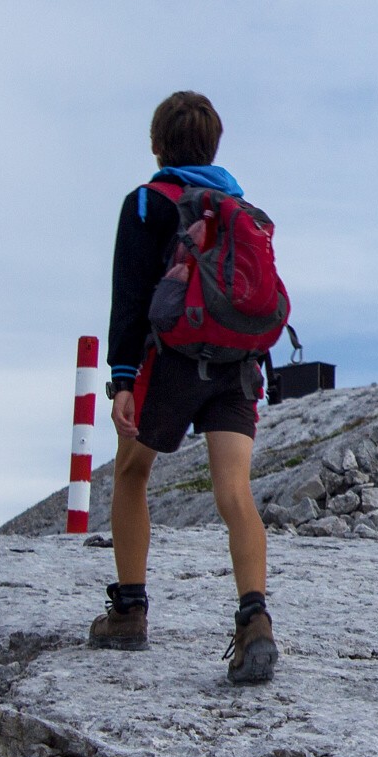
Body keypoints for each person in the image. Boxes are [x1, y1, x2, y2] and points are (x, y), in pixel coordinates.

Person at [89, 91, 279, 684]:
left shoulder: (149, 203)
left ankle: (129, 611)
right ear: (214, 144)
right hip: (235, 368)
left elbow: (129, 298)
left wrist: (123, 379)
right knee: (234, 494)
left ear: (157, 144)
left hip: (167, 365)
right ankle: (254, 620)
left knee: (131, 473)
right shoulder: (241, 208)